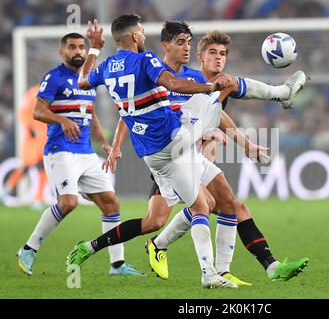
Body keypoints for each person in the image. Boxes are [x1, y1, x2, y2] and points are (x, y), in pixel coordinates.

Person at [66, 15, 240, 289]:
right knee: (200, 206)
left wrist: (94, 48)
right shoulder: (146, 60)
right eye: (142, 31)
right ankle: (209, 274)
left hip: (152, 148)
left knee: (154, 221)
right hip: (168, 147)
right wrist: (210, 86)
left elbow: (83, 81)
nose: (144, 34)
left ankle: (89, 247)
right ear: (135, 36)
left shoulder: (109, 66)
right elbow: (172, 84)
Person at [140, 24, 309, 283]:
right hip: (170, 157)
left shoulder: (212, 87)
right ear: (201, 58)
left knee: (231, 205)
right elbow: (195, 114)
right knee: (178, 213)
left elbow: (220, 116)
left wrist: (246, 145)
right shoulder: (185, 82)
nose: (219, 57)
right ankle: (190, 262)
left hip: (192, 155)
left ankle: (264, 267)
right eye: (213, 52)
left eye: (223, 53)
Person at [16, 32, 143, 277]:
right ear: (62, 52)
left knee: (111, 203)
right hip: (60, 151)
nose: (78, 51)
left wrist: (105, 143)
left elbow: (91, 114)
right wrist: (61, 119)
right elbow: (38, 111)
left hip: (86, 153)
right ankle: (28, 249)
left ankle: (117, 265)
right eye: (72, 47)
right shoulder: (54, 77)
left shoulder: (87, 81)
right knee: (68, 202)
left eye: (81, 47)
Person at [0, 85, 47, 210]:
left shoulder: (52, 92)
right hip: (32, 140)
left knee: (43, 168)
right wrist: (31, 129)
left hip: (44, 139)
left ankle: (38, 199)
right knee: (25, 167)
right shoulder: (33, 93)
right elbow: (23, 113)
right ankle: (7, 189)